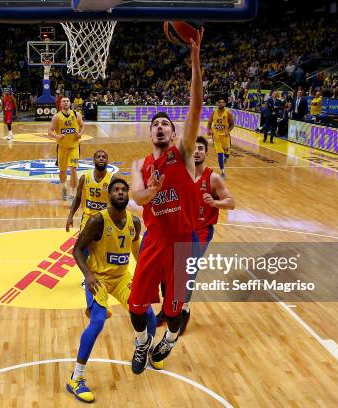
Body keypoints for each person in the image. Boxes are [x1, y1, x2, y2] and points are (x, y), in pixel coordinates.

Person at [127, 28, 203, 374]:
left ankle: (168, 341)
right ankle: (142, 343)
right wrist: (153, 191)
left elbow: (195, 104)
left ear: (173, 134)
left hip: (182, 244)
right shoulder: (139, 164)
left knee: (174, 314)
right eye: (155, 124)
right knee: (135, 306)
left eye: (166, 124)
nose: (160, 127)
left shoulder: (184, 153)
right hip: (154, 240)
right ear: (150, 132)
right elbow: (137, 195)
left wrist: (195, 60)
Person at [67, 178, 159, 403]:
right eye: (116, 189)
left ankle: (146, 348)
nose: (120, 192)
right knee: (97, 322)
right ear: (109, 195)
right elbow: (77, 250)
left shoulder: (134, 223)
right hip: (98, 278)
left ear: (128, 196)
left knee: (147, 314)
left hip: (121, 278)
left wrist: (146, 276)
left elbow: (137, 250)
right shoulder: (98, 221)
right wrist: (88, 275)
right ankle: (76, 378)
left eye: (124, 190)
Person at [157, 136, 235, 334]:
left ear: (206, 153)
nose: (198, 152)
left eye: (201, 148)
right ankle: (168, 310)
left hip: (200, 231)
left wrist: (215, 203)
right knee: (166, 271)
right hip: (178, 229)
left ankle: (184, 310)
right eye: (195, 149)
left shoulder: (212, 178)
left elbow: (231, 202)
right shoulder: (181, 174)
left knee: (186, 270)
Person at [66, 150, 114, 233]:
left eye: (104, 157)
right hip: (88, 218)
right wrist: (70, 216)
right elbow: (77, 198)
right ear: (94, 160)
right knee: (83, 245)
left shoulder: (112, 180)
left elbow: (117, 203)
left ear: (107, 161)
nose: (101, 159)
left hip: (106, 218)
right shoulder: (84, 178)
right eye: (98, 157)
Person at [48, 96, 84, 201]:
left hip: (74, 147)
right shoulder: (56, 117)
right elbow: (50, 131)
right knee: (62, 171)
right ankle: (64, 186)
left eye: (67, 101)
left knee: (73, 169)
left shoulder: (76, 114)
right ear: (60, 104)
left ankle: (73, 193)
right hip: (62, 147)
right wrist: (57, 136)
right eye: (63, 101)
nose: (66, 103)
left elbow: (82, 126)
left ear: (70, 103)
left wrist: (80, 134)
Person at [206, 97, 234, 178]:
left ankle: (226, 156)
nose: (221, 103)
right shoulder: (213, 113)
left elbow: (232, 124)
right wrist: (209, 130)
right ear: (217, 103)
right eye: (220, 102)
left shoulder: (228, 113)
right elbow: (209, 123)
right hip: (216, 135)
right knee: (219, 154)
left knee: (227, 154)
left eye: (223, 102)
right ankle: (222, 172)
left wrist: (228, 131)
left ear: (225, 104)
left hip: (225, 136)